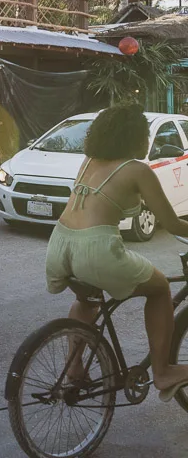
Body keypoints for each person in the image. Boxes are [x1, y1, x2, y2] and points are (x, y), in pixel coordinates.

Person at [46, 103, 188, 401]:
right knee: (160, 288)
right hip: (95, 247)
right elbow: (170, 222)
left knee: (86, 299)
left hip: (61, 243)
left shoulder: (89, 160)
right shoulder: (136, 170)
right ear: (135, 137)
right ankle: (163, 372)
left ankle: (74, 369)